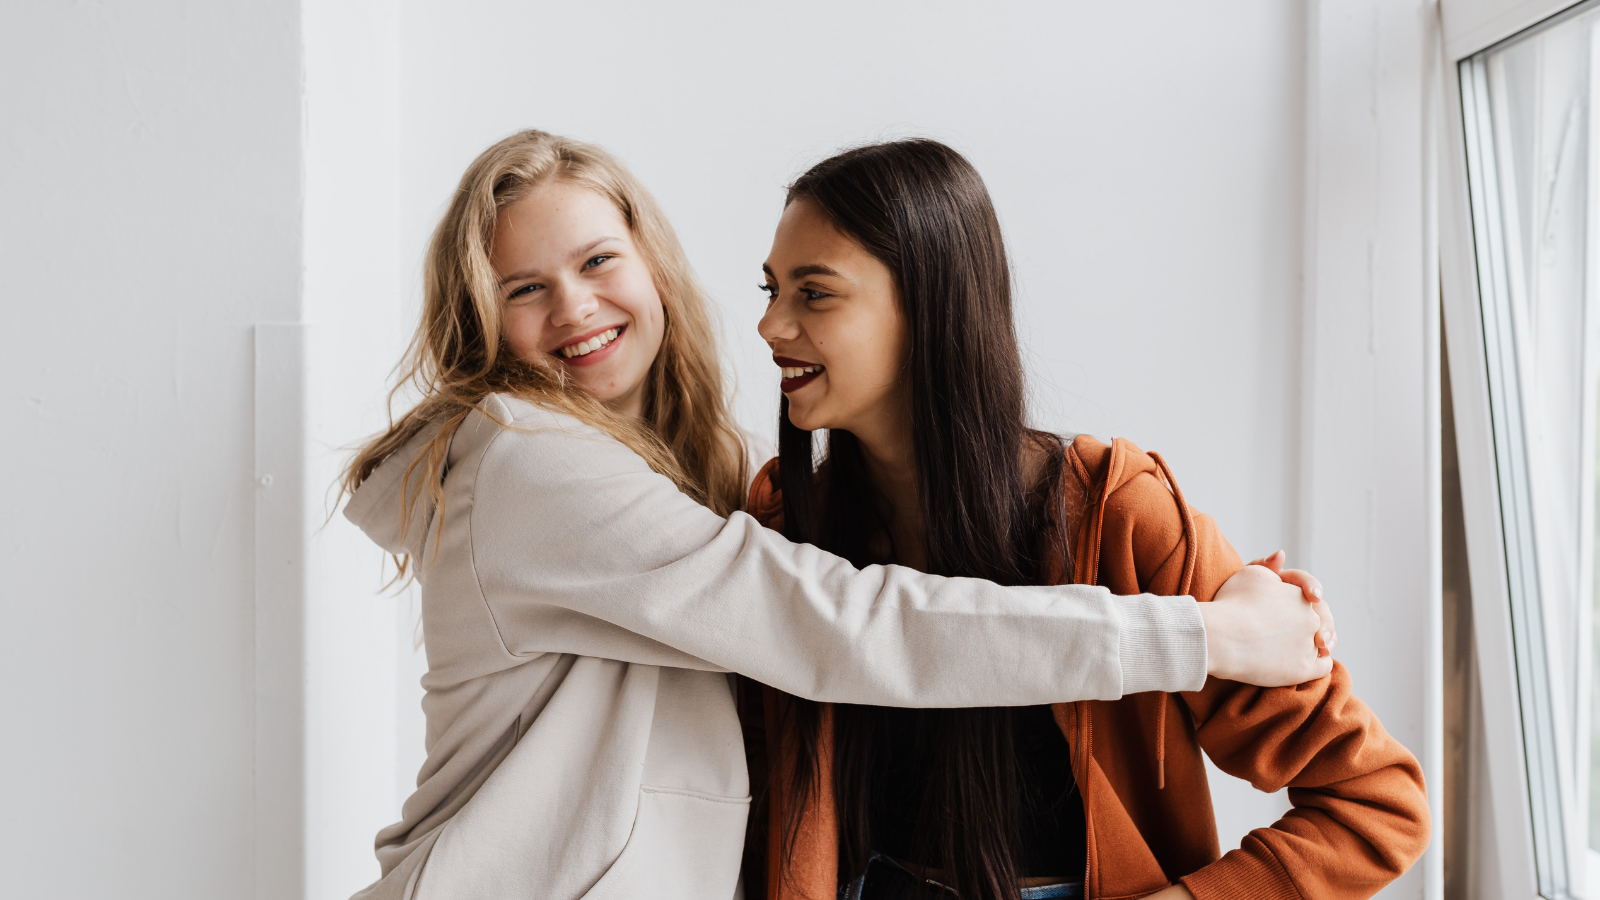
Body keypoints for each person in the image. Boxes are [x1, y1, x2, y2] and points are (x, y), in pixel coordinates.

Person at [339, 130, 1334, 900]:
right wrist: (1208, 635)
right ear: (483, 319)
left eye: (598, 261)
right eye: (523, 289)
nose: (573, 306)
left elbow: (1366, 797)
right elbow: (840, 627)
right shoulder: (531, 464)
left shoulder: (1108, 505)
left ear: (650, 264)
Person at [742, 139, 1428, 900]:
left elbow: (1376, 803)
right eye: (770, 291)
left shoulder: (1120, 517)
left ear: (929, 304)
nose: (771, 326)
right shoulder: (781, 520)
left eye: (814, 293)